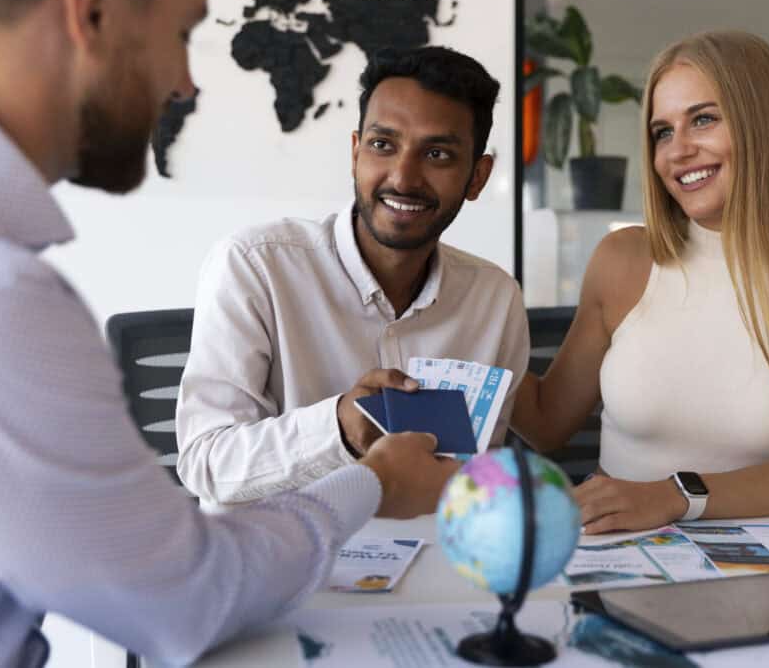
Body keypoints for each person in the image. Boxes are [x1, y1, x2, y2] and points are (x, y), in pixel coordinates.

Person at [0, 0, 457, 665]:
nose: (185, 85)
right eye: (183, 36)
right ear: (90, 12)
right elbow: (186, 597)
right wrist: (373, 481)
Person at [511, 30, 769, 535]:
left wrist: (673, 497)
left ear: (764, 123)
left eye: (704, 119)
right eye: (662, 132)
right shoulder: (623, 258)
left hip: (762, 563)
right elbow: (545, 421)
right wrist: (459, 325)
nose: (678, 150)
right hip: (620, 557)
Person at [175, 46, 529, 506]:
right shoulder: (254, 265)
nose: (403, 177)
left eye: (437, 154)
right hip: (282, 561)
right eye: (383, 145)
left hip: (428, 554)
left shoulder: (494, 299)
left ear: (477, 177)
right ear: (356, 152)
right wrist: (339, 427)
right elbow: (205, 462)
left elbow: (473, 478)